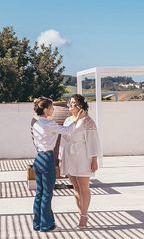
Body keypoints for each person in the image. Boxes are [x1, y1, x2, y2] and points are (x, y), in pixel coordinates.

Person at [31, 96, 79, 233]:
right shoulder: (49, 124)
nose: (53, 110)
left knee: (39, 193)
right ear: (45, 109)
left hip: (38, 158)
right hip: (47, 159)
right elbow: (67, 130)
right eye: (51, 108)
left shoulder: (36, 123)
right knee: (47, 194)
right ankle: (47, 225)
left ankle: (38, 224)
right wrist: (77, 118)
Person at [60, 94, 101, 228]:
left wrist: (94, 159)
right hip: (70, 156)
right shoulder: (67, 120)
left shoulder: (87, 121)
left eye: (73, 103)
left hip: (83, 156)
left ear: (80, 106)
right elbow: (63, 139)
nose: (70, 105)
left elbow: (93, 141)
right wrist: (61, 158)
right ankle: (80, 214)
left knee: (84, 187)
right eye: (70, 103)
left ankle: (84, 216)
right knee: (75, 187)